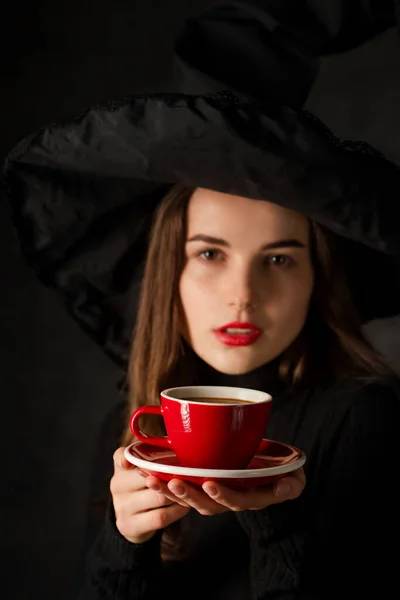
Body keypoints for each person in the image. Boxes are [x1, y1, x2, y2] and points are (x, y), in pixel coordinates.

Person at [3, 5, 400, 600]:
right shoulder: (133, 424)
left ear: (318, 278)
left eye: (279, 258)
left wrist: (275, 522)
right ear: (170, 270)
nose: (244, 295)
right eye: (210, 254)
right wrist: (124, 544)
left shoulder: (367, 417)